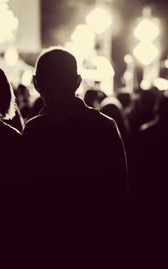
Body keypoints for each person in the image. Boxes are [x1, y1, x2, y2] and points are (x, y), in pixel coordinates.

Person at [22, 47, 128, 205]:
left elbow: (26, 192)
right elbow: (120, 188)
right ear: (78, 82)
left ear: (37, 83)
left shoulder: (35, 130)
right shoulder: (105, 125)